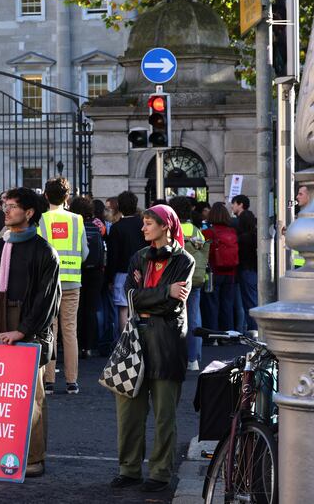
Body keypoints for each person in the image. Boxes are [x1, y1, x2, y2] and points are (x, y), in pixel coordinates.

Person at [0, 187, 61, 478]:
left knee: (34, 397)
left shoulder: (44, 251)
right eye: (5, 205)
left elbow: (47, 299)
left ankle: (34, 457)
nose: (6, 210)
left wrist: (22, 331)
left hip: (30, 332)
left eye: (12, 206)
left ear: (29, 212)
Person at [112, 204, 193, 493]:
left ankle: (160, 472)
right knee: (128, 410)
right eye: (144, 223)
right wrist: (161, 293)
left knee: (163, 413)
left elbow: (174, 303)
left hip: (167, 342)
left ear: (165, 226)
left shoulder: (184, 260)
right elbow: (130, 296)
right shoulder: (139, 256)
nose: (143, 228)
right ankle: (129, 469)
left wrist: (149, 297)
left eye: (148, 223)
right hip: (136, 338)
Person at [37, 177, 87, 394]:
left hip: (48, 284)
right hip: (72, 282)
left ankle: (49, 380)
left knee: (50, 330)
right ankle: (71, 381)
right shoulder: (77, 220)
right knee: (70, 330)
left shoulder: (42, 220)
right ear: (68, 197)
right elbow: (85, 252)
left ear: (46, 196)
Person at [169, 196, 208, 371]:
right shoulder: (196, 230)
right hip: (194, 278)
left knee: (172, 318)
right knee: (194, 317)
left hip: (175, 279)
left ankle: (175, 356)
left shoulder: (170, 230)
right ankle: (193, 358)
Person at [106, 191, 147, 333]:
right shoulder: (144, 225)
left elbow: (113, 256)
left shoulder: (116, 228)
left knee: (123, 309)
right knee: (141, 308)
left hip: (122, 272)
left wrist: (109, 278)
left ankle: (126, 343)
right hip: (143, 271)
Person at [69, 196, 104, 359]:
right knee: (91, 309)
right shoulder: (96, 227)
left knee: (76, 309)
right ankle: (89, 346)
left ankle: (76, 344)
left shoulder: (73, 226)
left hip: (77, 270)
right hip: (95, 272)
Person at [202, 202, 239, 333]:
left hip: (213, 273)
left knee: (212, 305)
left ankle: (214, 335)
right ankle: (227, 334)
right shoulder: (232, 231)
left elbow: (205, 253)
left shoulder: (207, 233)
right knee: (227, 305)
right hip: (231, 272)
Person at [235, 210, 258, 330]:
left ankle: (254, 329)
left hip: (245, 270)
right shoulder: (256, 236)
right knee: (254, 300)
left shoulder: (241, 238)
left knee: (249, 302)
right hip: (255, 270)